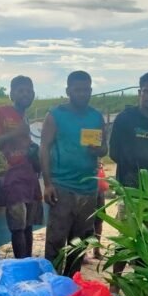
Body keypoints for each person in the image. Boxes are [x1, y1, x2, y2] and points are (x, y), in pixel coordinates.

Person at [40, 70, 107, 277]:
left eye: (86, 89)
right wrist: (48, 183)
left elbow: (105, 148)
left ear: (91, 90)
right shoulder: (55, 115)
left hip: (88, 188)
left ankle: (70, 283)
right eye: (77, 89)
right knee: (56, 242)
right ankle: (50, 282)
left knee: (79, 243)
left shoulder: (96, 117)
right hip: (62, 186)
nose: (82, 93)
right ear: (68, 90)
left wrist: (99, 150)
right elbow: (44, 148)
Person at [107, 71, 148, 282]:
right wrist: (132, 171)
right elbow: (114, 151)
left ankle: (143, 283)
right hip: (129, 186)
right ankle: (115, 282)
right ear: (139, 92)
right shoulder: (125, 119)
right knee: (126, 235)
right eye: (146, 91)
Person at [0, 75, 43, 258]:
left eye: (29, 91)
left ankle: (28, 262)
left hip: (29, 175)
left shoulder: (26, 116)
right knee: (17, 226)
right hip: (11, 175)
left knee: (28, 226)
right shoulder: (0, 112)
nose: (25, 94)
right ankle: (21, 264)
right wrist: (14, 133)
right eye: (20, 90)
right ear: (11, 94)